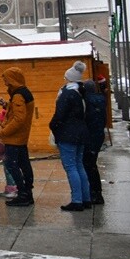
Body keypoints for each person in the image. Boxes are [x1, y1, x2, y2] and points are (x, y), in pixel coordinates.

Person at [50, 61, 91, 211]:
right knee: (79, 165)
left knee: (71, 167)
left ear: (70, 79)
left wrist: (53, 126)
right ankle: (86, 198)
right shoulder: (81, 93)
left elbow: (59, 115)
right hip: (81, 133)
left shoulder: (67, 94)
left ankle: (77, 200)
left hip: (68, 134)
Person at [0, 67, 35, 207]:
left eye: (6, 78)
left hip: (14, 138)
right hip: (21, 137)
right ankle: (27, 192)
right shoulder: (23, 93)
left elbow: (19, 119)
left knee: (11, 165)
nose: (4, 81)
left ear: (12, 79)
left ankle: (22, 193)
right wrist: (5, 104)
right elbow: (18, 111)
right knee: (24, 164)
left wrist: (3, 132)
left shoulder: (18, 95)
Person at [83, 76, 108, 205]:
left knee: (89, 165)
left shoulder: (86, 101)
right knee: (92, 164)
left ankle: (95, 194)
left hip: (90, 136)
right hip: (98, 135)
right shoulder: (101, 99)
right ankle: (96, 193)